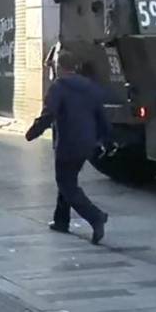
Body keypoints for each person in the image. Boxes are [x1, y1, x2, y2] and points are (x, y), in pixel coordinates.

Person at [26, 50, 111, 245]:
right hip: (87, 142)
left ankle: (95, 216)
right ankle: (61, 220)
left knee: (66, 183)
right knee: (67, 179)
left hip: (67, 143)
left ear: (58, 66)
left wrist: (33, 132)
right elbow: (102, 116)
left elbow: (49, 114)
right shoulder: (90, 87)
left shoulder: (59, 87)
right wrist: (104, 139)